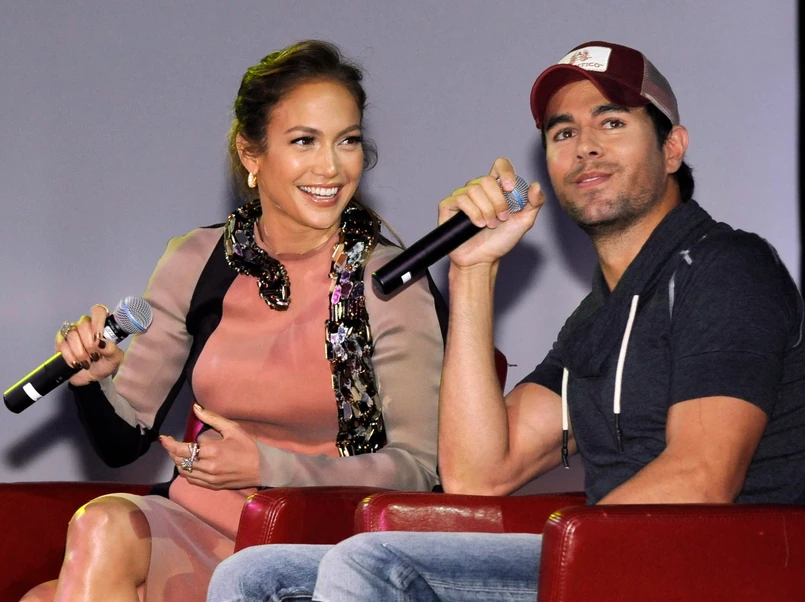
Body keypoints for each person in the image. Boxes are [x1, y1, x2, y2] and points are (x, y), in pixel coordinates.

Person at [206, 40, 805, 601]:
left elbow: (701, 478)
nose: (585, 146)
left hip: (712, 569)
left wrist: (571, 543)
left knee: (370, 562)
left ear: (672, 148)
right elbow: (477, 476)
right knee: (257, 574)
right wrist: (472, 270)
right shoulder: (601, 317)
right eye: (563, 132)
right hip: (605, 556)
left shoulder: (725, 270)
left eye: (612, 123)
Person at [20, 40, 445, 602]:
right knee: (101, 525)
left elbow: (417, 469)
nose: (331, 166)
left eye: (347, 141)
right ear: (251, 153)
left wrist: (269, 466)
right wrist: (94, 381)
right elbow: (123, 444)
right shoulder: (198, 260)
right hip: (193, 525)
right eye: (304, 141)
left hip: (313, 548)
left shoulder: (389, 280)